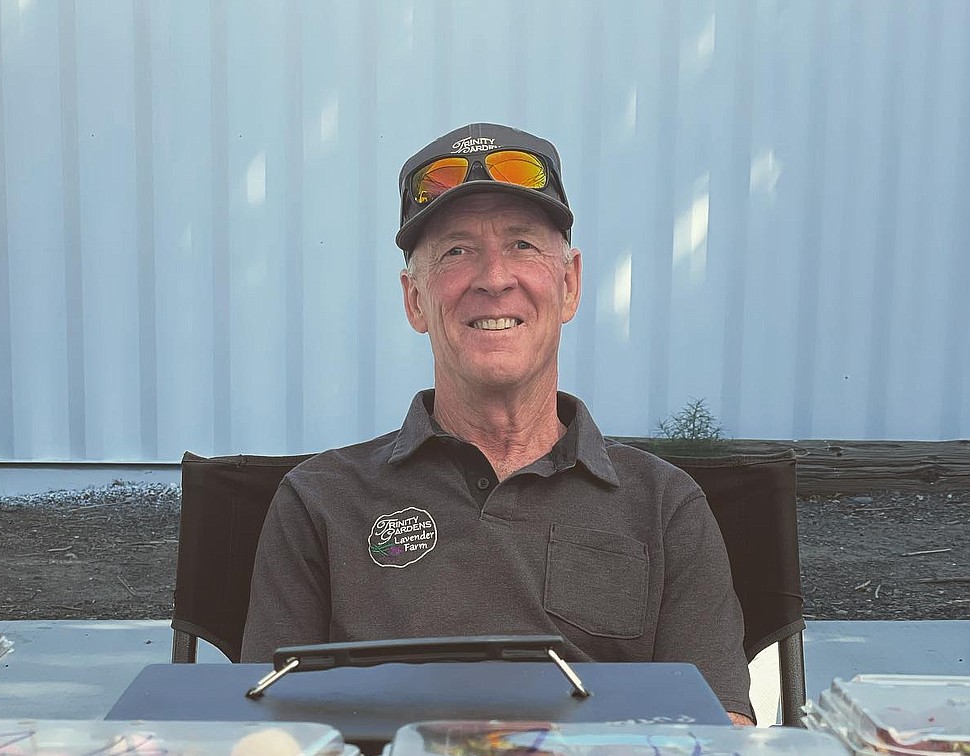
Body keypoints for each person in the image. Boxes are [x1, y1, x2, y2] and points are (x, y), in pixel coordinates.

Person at [241, 122, 753, 722]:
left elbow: (721, 734)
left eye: (523, 245)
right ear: (414, 300)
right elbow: (264, 734)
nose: (494, 277)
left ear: (570, 285)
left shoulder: (664, 506)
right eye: (456, 251)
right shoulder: (319, 500)